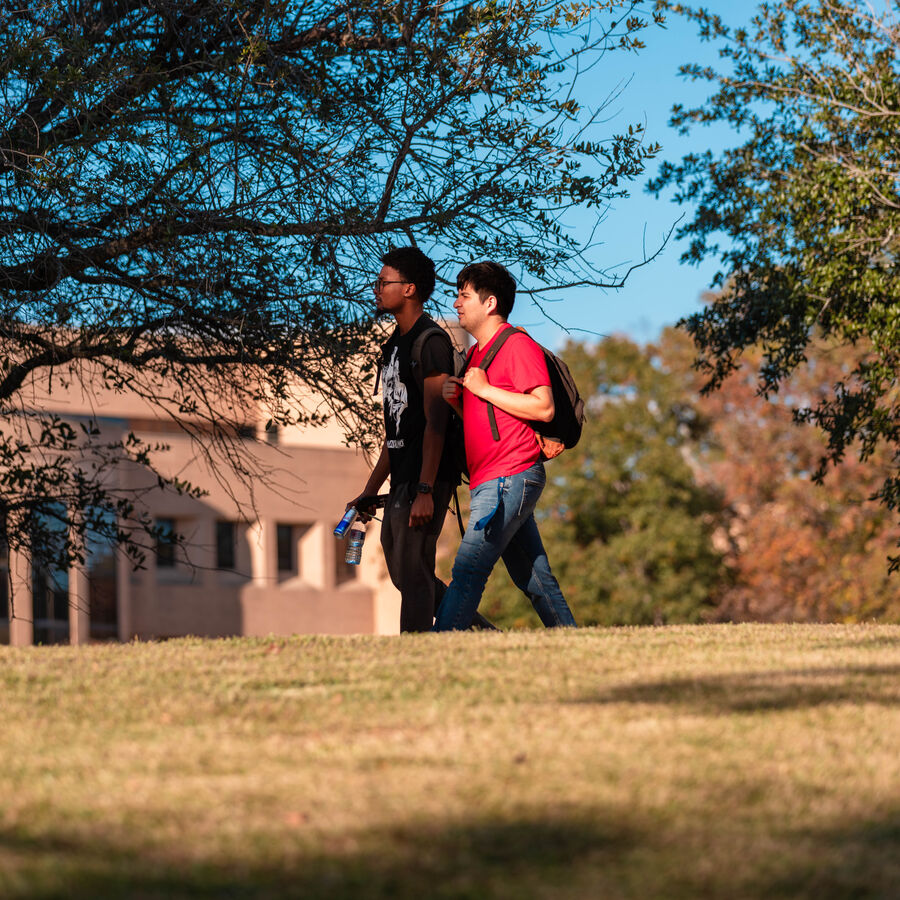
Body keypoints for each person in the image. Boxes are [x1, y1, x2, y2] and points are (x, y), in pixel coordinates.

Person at [347, 247, 493, 632]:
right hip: (403, 477)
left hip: (426, 477)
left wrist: (426, 488)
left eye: (384, 282)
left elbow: (436, 422)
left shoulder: (430, 342)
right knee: (402, 570)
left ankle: (417, 649)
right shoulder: (394, 345)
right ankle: (479, 632)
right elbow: (395, 430)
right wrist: (368, 491)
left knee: (414, 572)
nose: (377, 289)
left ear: (409, 289)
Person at [433, 261, 577, 631]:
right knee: (536, 579)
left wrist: (481, 389)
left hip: (509, 476)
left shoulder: (516, 345)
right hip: (492, 478)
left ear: (490, 302)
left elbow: (543, 407)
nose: (456, 304)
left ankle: (437, 647)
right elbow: (491, 421)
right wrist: (460, 403)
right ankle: (572, 641)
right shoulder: (477, 356)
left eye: (463, 296)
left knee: (467, 569)